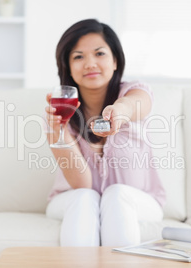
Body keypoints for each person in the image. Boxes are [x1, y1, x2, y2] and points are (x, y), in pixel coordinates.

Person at [45, 19, 166, 247]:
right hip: (72, 199)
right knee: (85, 197)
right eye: (78, 57)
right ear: (68, 67)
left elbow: (135, 104)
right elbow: (82, 183)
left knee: (117, 194)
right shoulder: (57, 112)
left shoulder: (134, 93)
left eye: (99, 54)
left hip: (138, 201)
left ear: (115, 61)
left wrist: (119, 112)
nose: (90, 63)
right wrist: (58, 128)